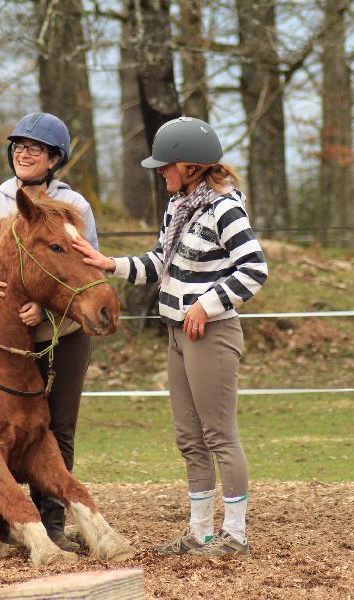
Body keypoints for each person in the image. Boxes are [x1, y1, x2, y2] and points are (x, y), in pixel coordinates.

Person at [73, 116, 267, 557]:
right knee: (189, 437)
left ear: (191, 165)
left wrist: (207, 304)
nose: (160, 172)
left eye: (166, 165)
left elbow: (255, 268)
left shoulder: (224, 208)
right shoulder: (180, 207)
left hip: (211, 333)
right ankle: (200, 533)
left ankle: (235, 536)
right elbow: (160, 264)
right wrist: (109, 264)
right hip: (178, 332)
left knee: (219, 434)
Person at [0, 112, 98, 552]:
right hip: (1, 342)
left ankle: (52, 521)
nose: (23, 154)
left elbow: (86, 269)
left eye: (34, 148)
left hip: (59, 332)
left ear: (54, 158)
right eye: (18, 147)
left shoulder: (76, 207)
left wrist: (46, 312)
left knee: (57, 426)